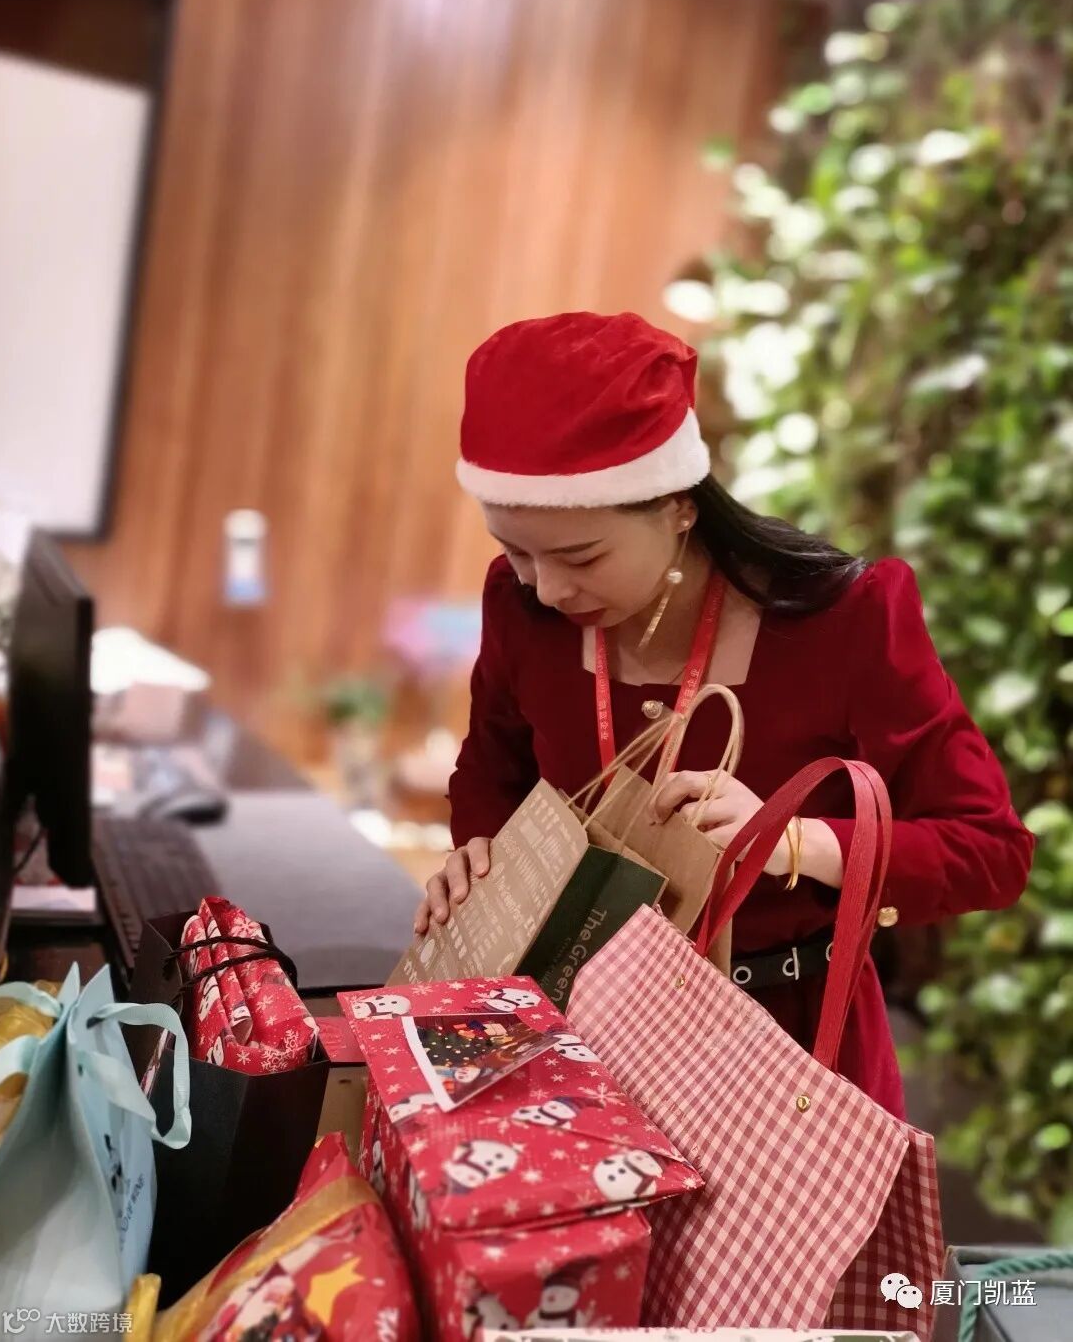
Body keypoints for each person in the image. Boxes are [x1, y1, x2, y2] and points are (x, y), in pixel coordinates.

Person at [414, 310, 1035, 1116]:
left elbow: (990, 850)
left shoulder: (845, 619)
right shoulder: (522, 606)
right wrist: (479, 857)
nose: (549, 588)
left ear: (679, 505)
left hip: (780, 1049)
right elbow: (490, 774)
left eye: (581, 555)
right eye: (516, 549)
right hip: (572, 1026)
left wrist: (794, 841)